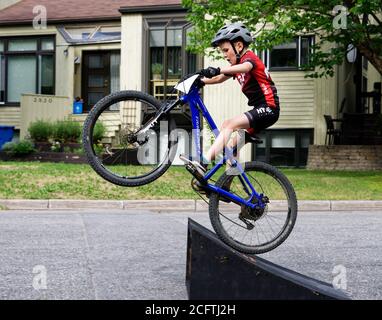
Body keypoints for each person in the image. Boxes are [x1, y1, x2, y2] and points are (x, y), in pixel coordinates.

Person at [182, 22, 280, 178]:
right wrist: (201, 81)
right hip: (261, 111)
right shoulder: (237, 65)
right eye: (223, 52)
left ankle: (204, 163)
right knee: (231, 148)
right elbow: (219, 79)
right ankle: (226, 185)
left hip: (269, 108)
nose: (225, 55)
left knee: (229, 124)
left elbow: (246, 68)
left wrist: (218, 68)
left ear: (239, 46)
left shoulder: (249, 59)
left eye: (226, 50)